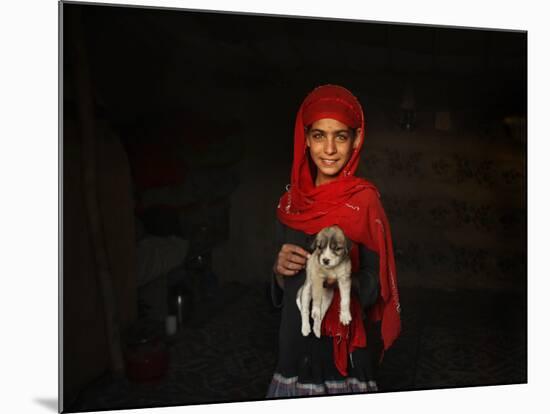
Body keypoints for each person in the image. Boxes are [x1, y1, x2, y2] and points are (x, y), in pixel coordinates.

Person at [266, 84, 401, 397]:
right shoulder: (290, 204)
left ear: (355, 140)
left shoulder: (364, 202)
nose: (329, 149)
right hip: (295, 347)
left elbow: (376, 286)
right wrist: (277, 271)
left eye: (340, 136)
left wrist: (341, 278)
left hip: (345, 354)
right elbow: (277, 292)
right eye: (318, 136)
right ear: (306, 140)